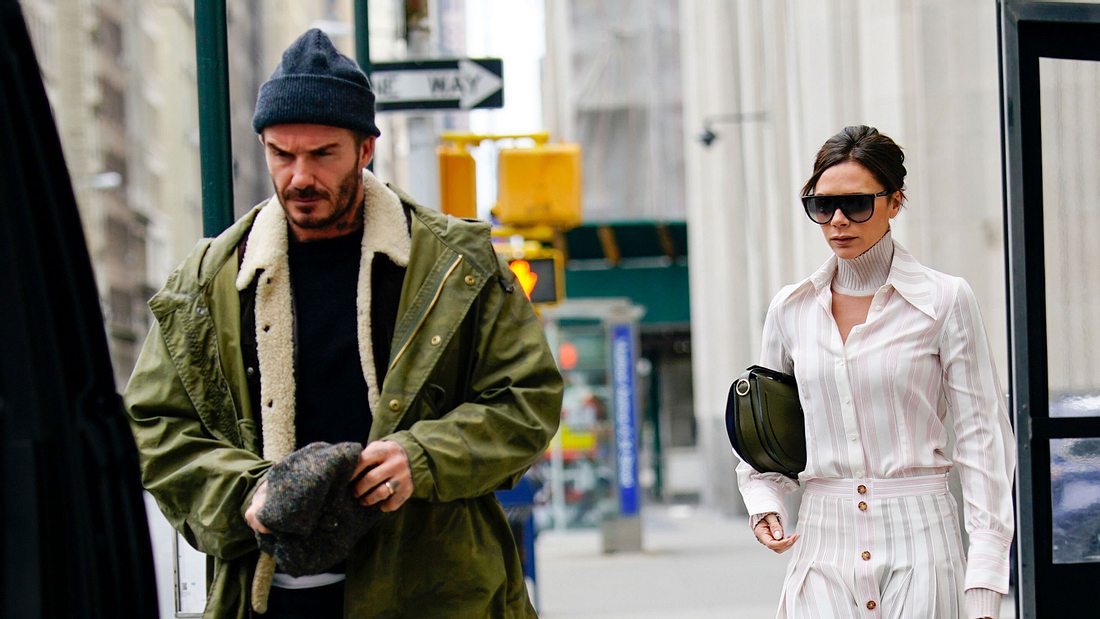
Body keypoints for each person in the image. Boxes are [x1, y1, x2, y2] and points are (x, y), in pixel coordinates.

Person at [125, 29, 563, 618]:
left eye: (322, 154)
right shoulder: (209, 282)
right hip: (269, 601)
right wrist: (249, 492)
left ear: (364, 149)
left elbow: (528, 400)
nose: (299, 177)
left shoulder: (457, 264)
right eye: (282, 154)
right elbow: (157, 426)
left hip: (432, 597)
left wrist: (421, 459)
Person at [736, 126, 1015, 619]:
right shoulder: (791, 309)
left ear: (895, 202)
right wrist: (764, 500)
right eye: (822, 206)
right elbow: (767, 428)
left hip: (921, 542)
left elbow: (982, 439)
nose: (838, 220)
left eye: (857, 204)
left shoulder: (945, 300)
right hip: (823, 543)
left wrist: (985, 581)